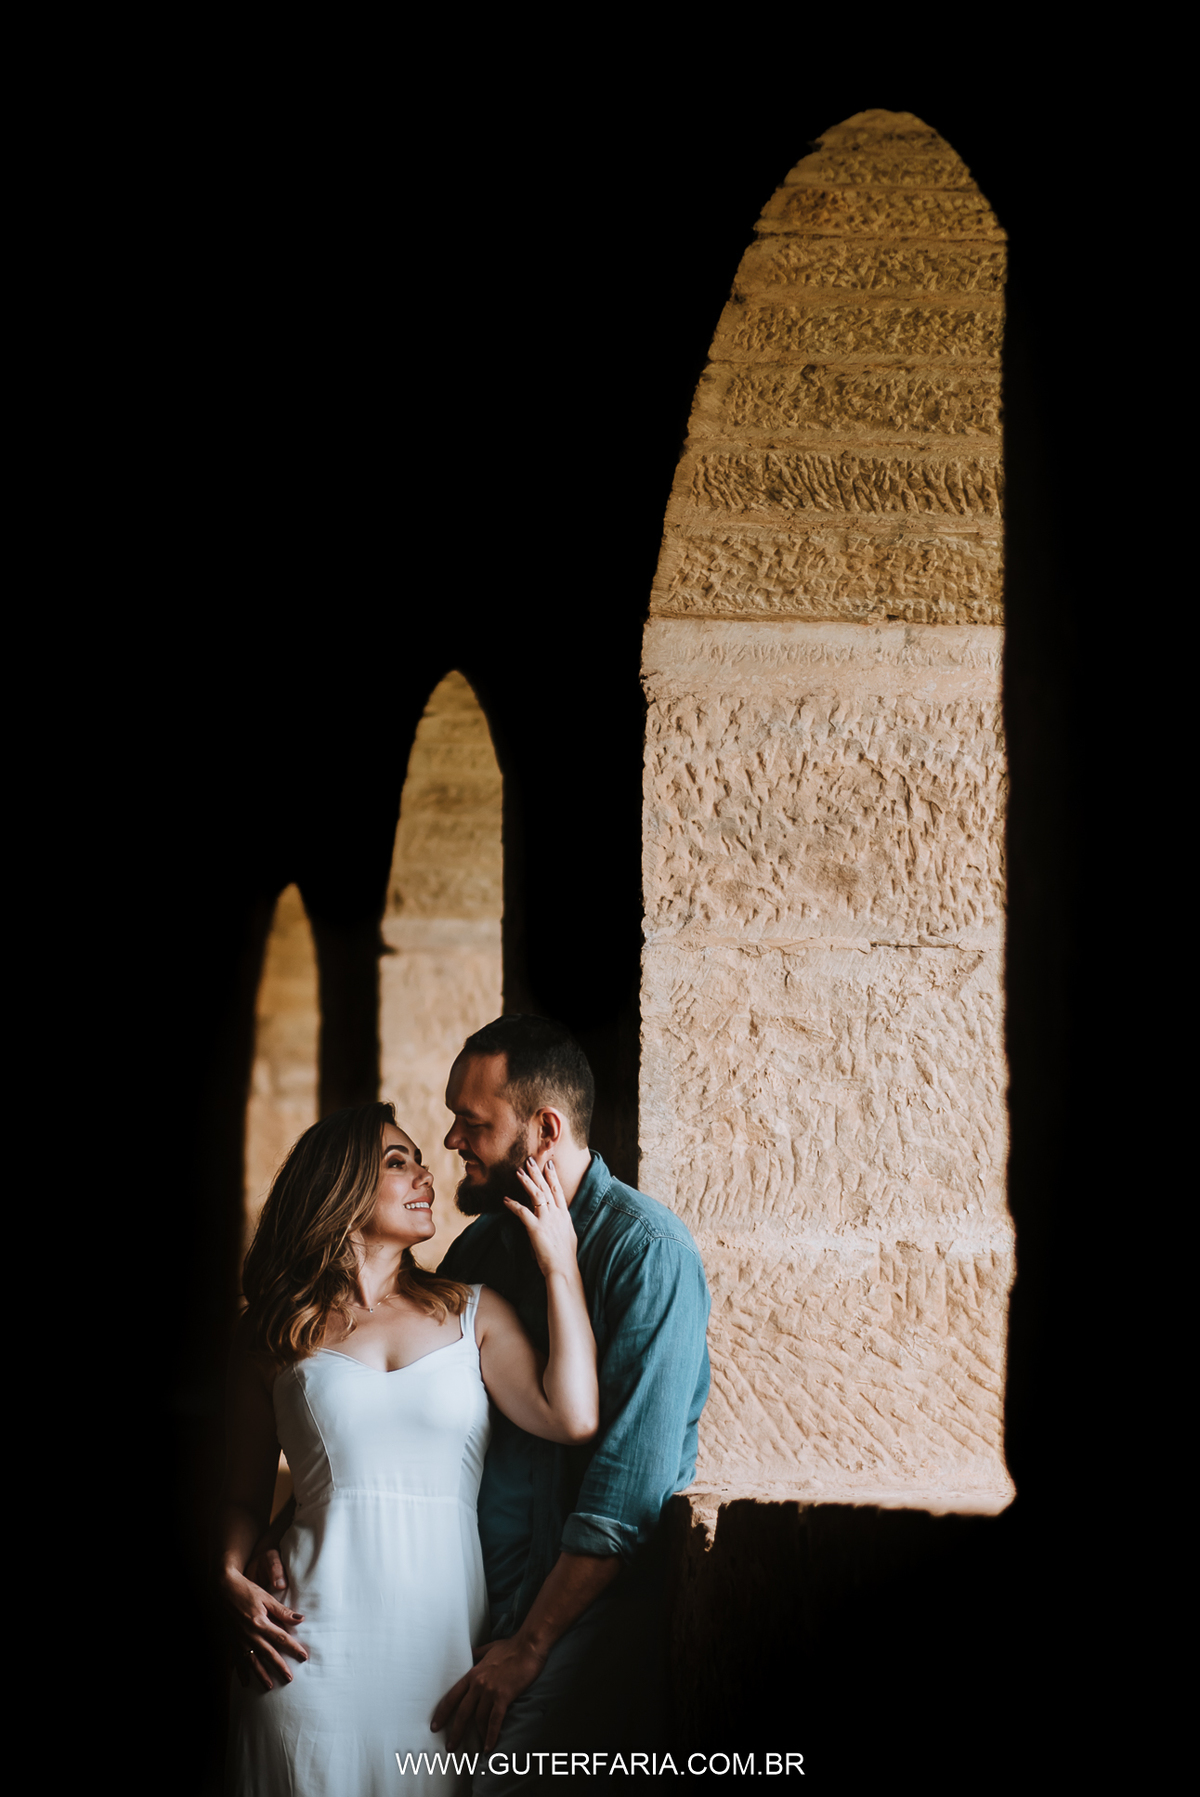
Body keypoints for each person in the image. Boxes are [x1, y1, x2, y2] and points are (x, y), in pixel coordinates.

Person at [219, 1099, 598, 1797]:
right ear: (341, 1185)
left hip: (438, 1663)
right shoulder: (274, 1329)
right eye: (399, 1161)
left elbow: (570, 1415)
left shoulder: (472, 1310)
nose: (426, 1173)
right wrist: (225, 1572)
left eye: (419, 1158)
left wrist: (560, 1263)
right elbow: (242, 1494)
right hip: (306, 1656)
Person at [429, 1015, 711, 1791]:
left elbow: (626, 1492)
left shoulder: (647, 1253)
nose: (452, 1139)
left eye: (473, 1122)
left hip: (566, 1633)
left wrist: (530, 1643)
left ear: (545, 1129)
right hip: (462, 1617)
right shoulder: (480, 1250)